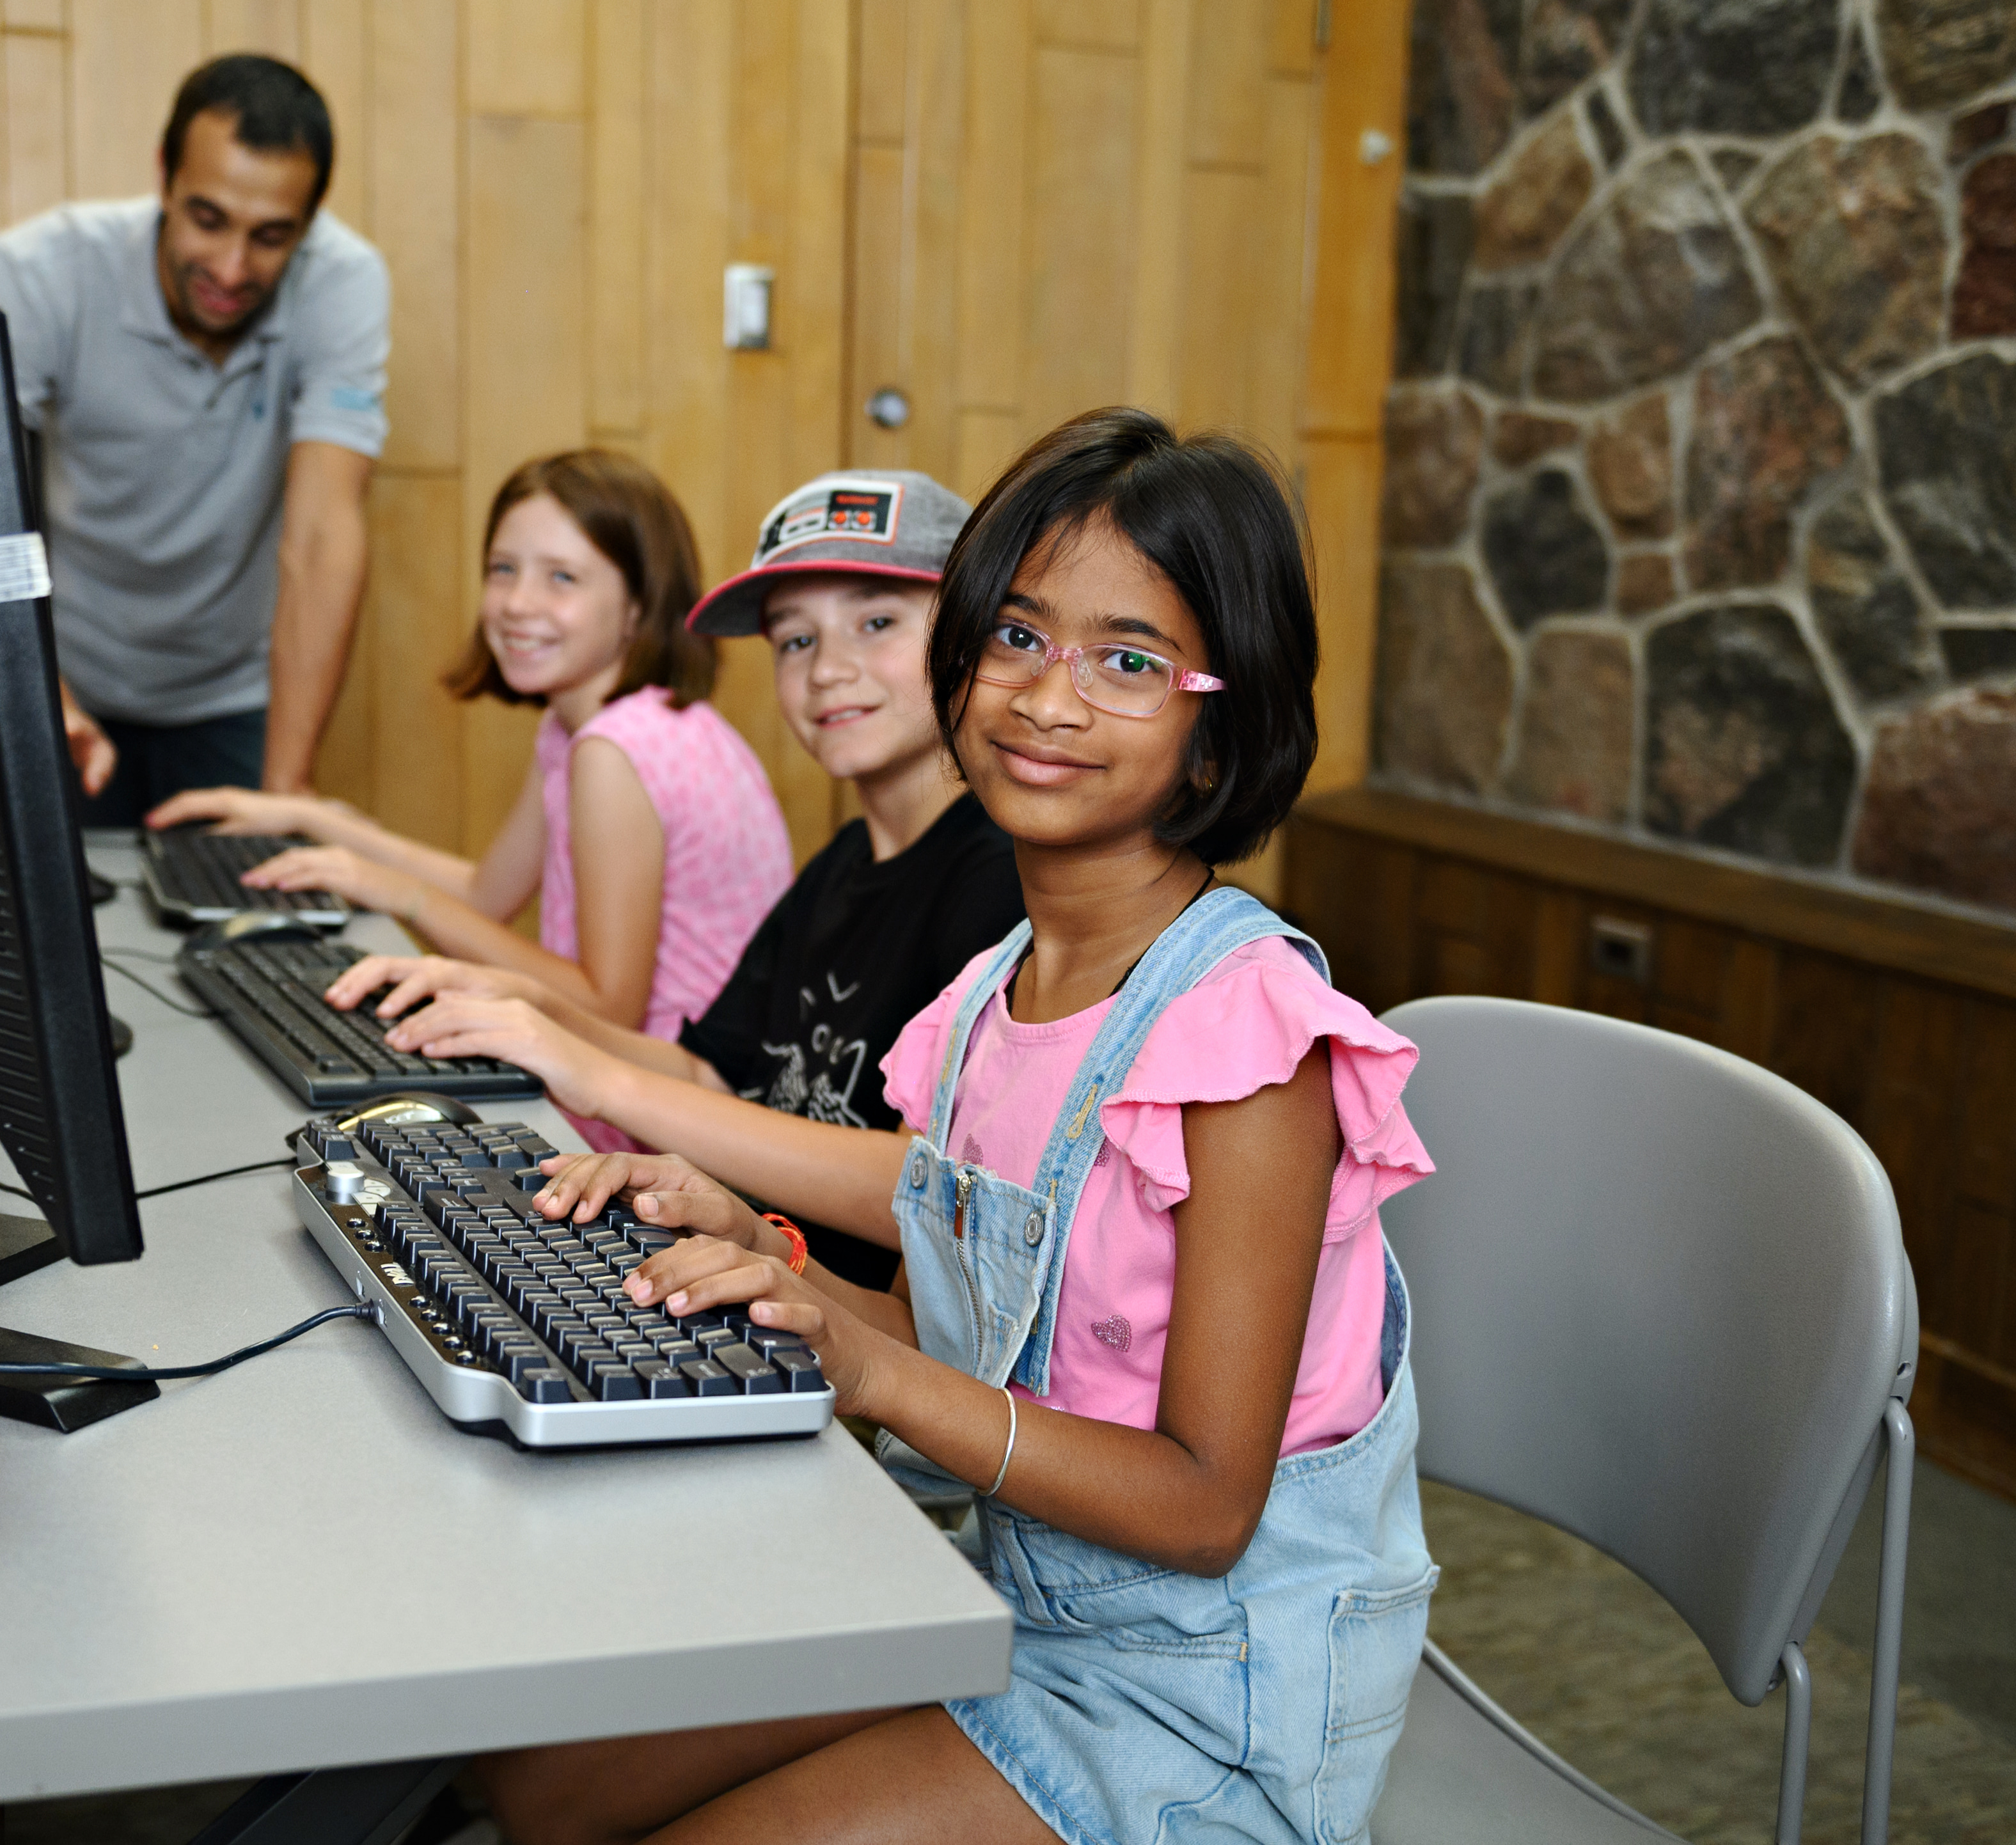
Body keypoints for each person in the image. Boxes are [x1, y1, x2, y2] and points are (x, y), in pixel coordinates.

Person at [476, 409, 1440, 1844]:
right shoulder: (994, 996)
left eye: (1129, 660)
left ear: (1218, 724)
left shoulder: (1248, 1048)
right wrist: (772, 1253)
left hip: (1203, 1704)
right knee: (537, 1782)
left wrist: (854, 1356)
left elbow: (1199, 1506)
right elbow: (983, 1340)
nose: (1049, 697)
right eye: (1017, 637)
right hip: (1009, 1595)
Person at [316, 471, 1023, 1285]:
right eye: (796, 639)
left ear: (976, 634)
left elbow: (927, 1193)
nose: (829, 667)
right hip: (725, 1244)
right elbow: (710, 1071)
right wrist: (527, 1008)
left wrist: (601, 1075)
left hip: (818, 1307)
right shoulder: (843, 861)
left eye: (875, 621)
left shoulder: (1002, 881)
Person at [150, 450, 792, 1061]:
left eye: (561, 577)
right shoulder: (593, 727)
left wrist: (402, 894)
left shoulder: (617, 750)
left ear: (638, 606)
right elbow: (488, 894)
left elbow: (607, 1006)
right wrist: (319, 825)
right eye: (502, 569)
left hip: (661, 1108)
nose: (517, 602)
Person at [0, 54, 384, 822]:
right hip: (65, 676)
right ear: (164, 176)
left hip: (232, 692)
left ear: (311, 224)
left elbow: (323, 531)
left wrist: (285, 791)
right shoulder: (39, 272)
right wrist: (40, 696)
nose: (230, 267)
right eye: (207, 219)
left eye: (271, 237)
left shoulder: (344, 284)